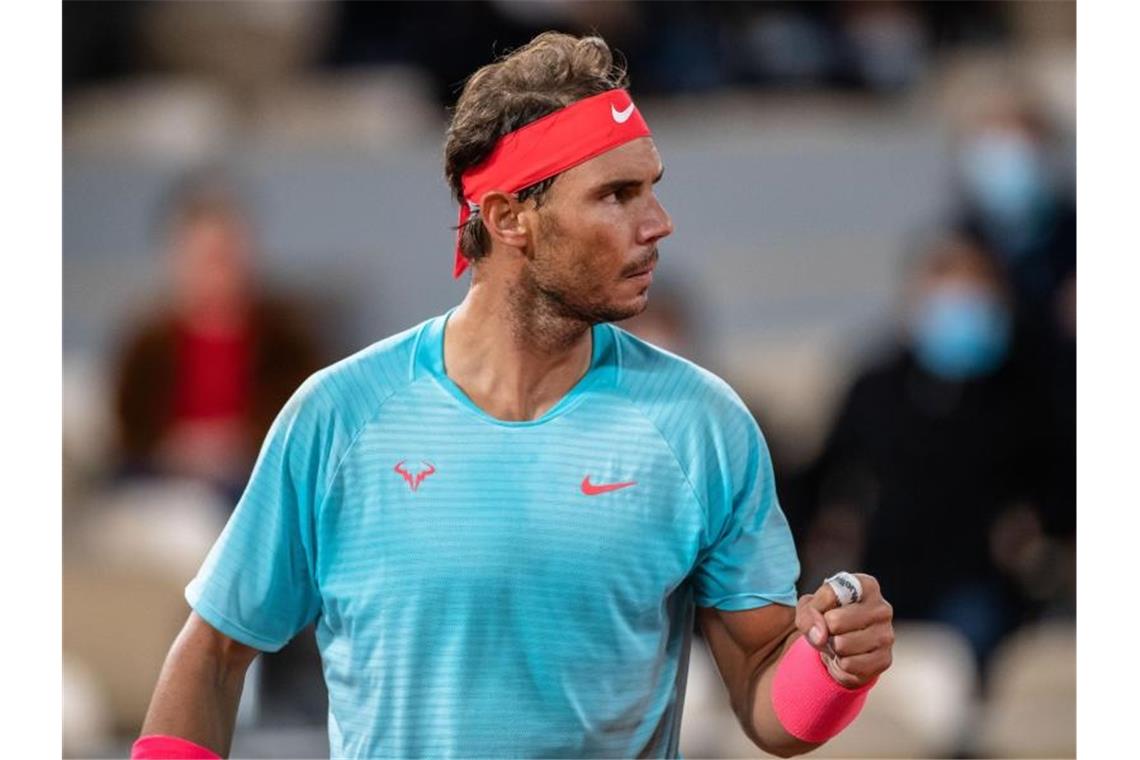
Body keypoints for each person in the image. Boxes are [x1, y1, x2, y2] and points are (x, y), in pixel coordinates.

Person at [133, 33, 894, 759]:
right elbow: (212, 652)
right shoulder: (338, 416)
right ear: (507, 218)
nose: (659, 223)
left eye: (651, 189)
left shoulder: (705, 425)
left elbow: (766, 693)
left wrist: (831, 669)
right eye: (616, 195)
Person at [790, 230, 1067, 671]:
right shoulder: (878, 387)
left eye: (975, 291)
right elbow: (823, 477)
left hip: (982, 582)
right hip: (888, 573)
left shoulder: (1025, 392)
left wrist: (1034, 528)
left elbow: (1060, 480)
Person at [111, 173, 326, 503]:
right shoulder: (147, 345)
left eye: (223, 255)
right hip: (163, 483)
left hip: (252, 480)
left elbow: (309, 428)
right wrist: (176, 449)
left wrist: (238, 443)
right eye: (201, 257)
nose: (214, 271)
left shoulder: (287, 342)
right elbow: (128, 434)